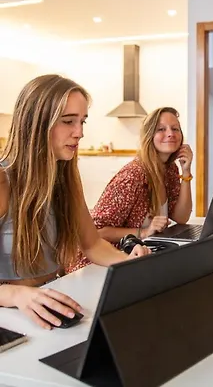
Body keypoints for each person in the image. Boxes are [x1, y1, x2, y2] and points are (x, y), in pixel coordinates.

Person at [0, 75, 149, 330]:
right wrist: (15, 294)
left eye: (82, 121)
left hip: (53, 301)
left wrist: (135, 266)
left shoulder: (65, 178)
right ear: (36, 123)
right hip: (11, 315)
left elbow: (92, 244)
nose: (79, 133)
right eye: (68, 121)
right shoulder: (3, 181)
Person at [67, 106, 193, 272]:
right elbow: (98, 232)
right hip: (102, 265)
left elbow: (181, 217)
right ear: (149, 136)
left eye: (175, 128)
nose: (170, 133)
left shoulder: (169, 170)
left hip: (138, 259)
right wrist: (144, 232)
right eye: (161, 129)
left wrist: (186, 172)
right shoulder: (133, 176)